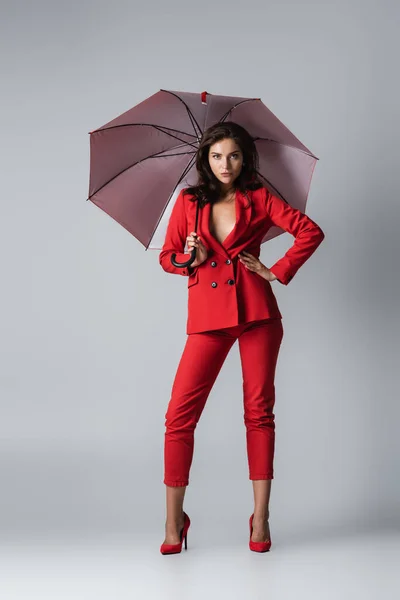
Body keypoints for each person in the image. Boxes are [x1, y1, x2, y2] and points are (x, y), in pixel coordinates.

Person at [158, 122, 325, 554]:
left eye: (233, 156)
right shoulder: (189, 203)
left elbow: (310, 231)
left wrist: (276, 271)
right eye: (216, 156)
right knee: (179, 416)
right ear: (205, 159)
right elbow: (167, 256)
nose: (225, 164)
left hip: (257, 315)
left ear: (245, 158)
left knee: (259, 412)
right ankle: (174, 521)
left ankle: (261, 518)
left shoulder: (259, 197)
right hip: (208, 318)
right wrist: (188, 257)